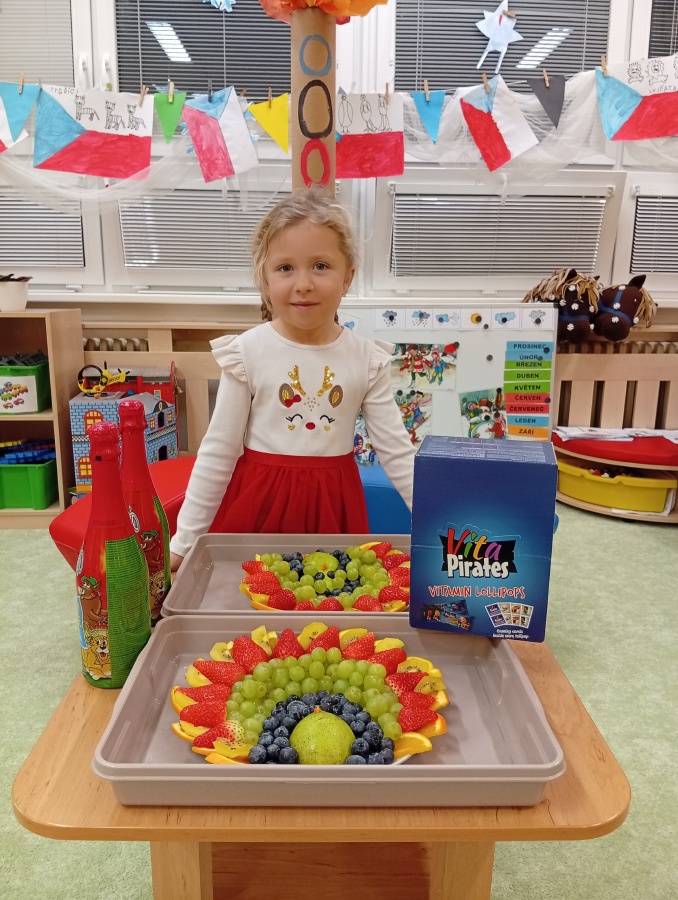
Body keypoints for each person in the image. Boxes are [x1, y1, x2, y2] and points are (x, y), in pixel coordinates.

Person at [169, 186, 416, 571]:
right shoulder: (247, 352)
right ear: (264, 280)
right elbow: (219, 452)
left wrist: (444, 525)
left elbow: (398, 453)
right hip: (259, 506)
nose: (303, 284)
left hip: (334, 508)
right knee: (251, 598)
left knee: (330, 598)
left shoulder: (367, 358)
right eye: (285, 268)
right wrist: (184, 543)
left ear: (348, 277)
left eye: (320, 266)